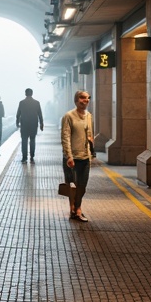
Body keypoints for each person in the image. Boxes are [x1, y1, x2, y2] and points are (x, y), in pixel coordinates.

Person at [60, 90, 94, 222]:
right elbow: (65, 136)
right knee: (72, 186)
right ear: (76, 100)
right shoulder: (68, 116)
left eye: (87, 98)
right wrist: (69, 156)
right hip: (72, 157)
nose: (85, 100)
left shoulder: (89, 116)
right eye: (82, 98)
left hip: (85, 157)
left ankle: (77, 207)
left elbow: (90, 135)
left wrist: (91, 152)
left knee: (82, 185)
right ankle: (74, 210)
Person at [15, 88, 44, 163]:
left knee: (24, 141)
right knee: (32, 140)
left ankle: (24, 158)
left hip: (24, 125)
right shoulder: (36, 103)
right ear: (32, 94)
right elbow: (40, 114)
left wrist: (17, 123)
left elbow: (18, 114)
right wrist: (41, 123)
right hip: (33, 125)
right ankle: (32, 156)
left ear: (25, 93)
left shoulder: (21, 103)